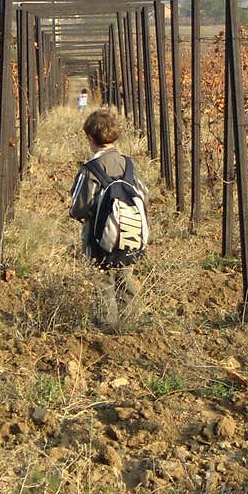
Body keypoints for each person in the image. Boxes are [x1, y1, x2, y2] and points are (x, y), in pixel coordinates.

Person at [69, 108, 148, 331]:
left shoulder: (91, 169)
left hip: (98, 238)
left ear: (90, 138)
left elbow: (78, 209)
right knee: (125, 279)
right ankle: (129, 326)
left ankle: (106, 329)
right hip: (129, 235)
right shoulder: (128, 165)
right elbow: (143, 195)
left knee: (103, 284)